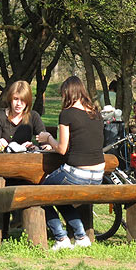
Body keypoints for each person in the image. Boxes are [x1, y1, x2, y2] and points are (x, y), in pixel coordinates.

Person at [37, 76, 105, 250]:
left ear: (67, 94)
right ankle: (81, 236)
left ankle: (61, 238)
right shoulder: (95, 113)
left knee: (40, 193)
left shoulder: (67, 113)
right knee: (60, 196)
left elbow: (61, 149)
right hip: (98, 176)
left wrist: (48, 138)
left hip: (77, 174)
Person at [0, 80, 46, 151]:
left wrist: (35, 148)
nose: (19, 103)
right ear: (10, 99)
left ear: (28, 101)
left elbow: (45, 144)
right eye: (16, 99)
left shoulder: (33, 116)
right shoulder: (0, 116)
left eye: (23, 100)